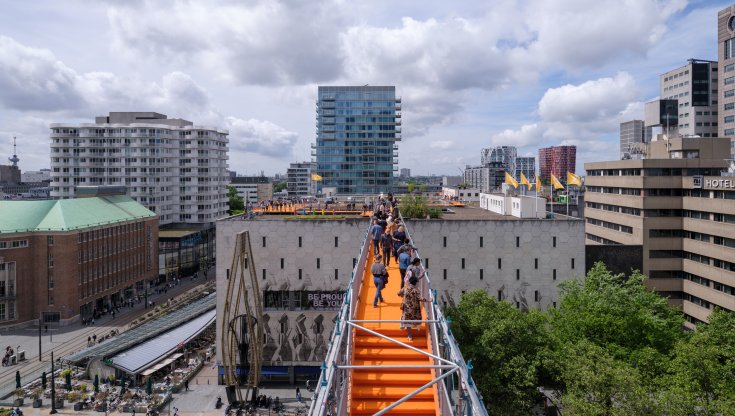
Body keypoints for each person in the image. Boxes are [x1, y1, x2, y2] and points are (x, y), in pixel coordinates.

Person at [401, 275, 428, 341]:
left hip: (407, 308)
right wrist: (428, 300)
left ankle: (410, 336)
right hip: (414, 309)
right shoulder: (416, 290)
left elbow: (398, 293)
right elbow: (421, 298)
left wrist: (404, 296)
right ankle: (417, 329)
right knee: (415, 319)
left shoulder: (405, 288)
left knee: (407, 322)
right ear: (415, 283)